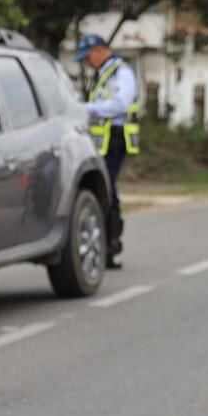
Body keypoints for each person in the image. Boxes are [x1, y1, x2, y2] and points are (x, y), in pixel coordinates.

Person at [75, 33, 140, 270]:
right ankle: (105, 245)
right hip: (100, 140)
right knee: (104, 190)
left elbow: (121, 104)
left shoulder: (122, 73)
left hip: (116, 137)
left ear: (101, 50)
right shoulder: (101, 74)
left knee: (108, 190)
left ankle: (112, 246)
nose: (86, 62)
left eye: (88, 56)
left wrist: (88, 109)